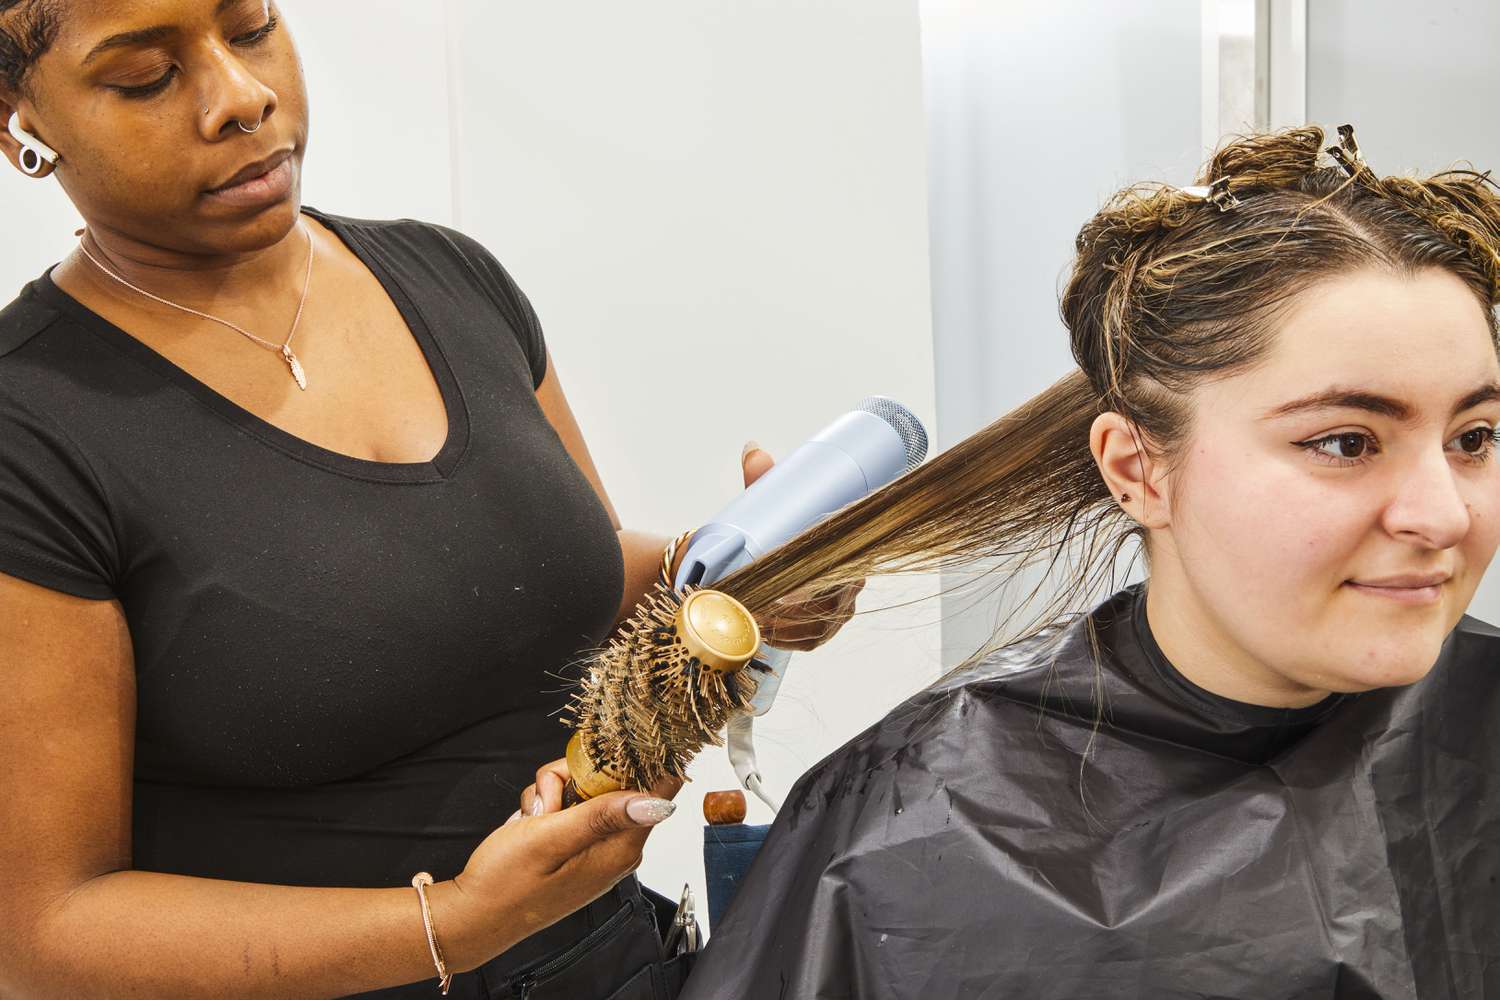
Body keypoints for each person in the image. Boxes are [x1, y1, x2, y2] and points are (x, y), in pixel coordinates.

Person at [0, 2, 857, 997]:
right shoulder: (34, 429)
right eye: (146, 76)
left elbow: (549, 585)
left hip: (614, 963)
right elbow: (41, 931)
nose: (243, 97)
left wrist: (733, 580)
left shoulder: (450, 278)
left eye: (250, 27)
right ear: (20, 118)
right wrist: (454, 923)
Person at [675, 126, 1500, 998]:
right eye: (1344, 442)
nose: (1442, 514)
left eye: (1474, 437)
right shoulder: (905, 835)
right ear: (1138, 470)